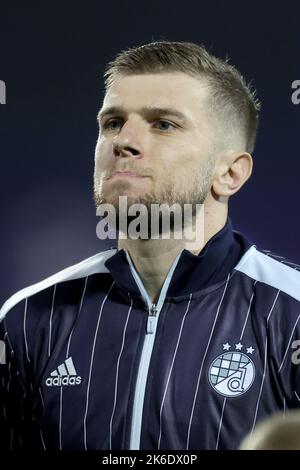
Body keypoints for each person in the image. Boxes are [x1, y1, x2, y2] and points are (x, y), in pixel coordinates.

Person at [0, 40, 300, 451]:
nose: (123, 141)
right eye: (112, 122)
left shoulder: (291, 314)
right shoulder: (29, 318)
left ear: (230, 173)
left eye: (163, 124)